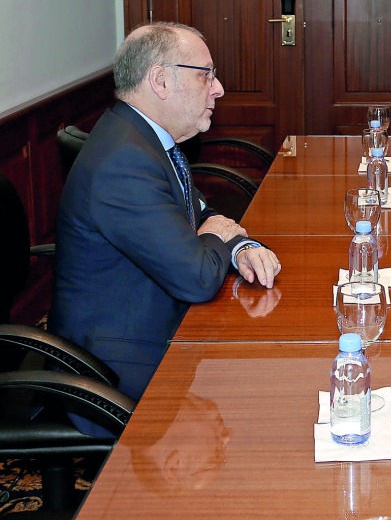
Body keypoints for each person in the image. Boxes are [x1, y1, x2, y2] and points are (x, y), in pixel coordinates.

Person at [51, 22, 281, 415]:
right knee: (263, 394)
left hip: (150, 323)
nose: (218, 87)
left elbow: (201, 214)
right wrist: (216, 237)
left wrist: (238, 245)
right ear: (159, 80)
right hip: (116, 365)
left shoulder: (141, 137)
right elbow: (196, 279)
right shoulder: (124, 161)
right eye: (205, 74)